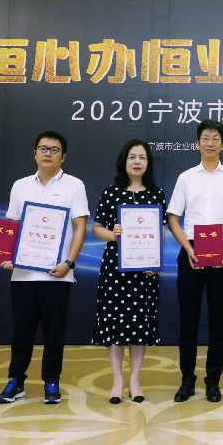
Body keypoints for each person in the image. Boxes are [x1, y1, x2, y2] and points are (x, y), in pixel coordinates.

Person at [0, 131, 89, 405]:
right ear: (35, 153)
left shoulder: (74, 185)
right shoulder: (20, 185)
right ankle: (16, 380)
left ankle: (51, 380)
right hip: (23, 274)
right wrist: (6, 254)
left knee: (54, 333)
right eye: (43, 148)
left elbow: (80, 226)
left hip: (57, 274)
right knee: (21, 332)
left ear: (64, 156)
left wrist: (69, 263)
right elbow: (11, 225)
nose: (48, 153)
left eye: (54, 149)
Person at [167, 119, 223, 403]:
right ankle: (187, 380)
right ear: (198, 143)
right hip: (190, 253)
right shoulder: (186, 177)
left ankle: (213, 381)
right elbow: (173, 218)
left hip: (222, 254)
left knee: (218, 321)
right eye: (205, 138)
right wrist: (187, 247)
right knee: (188, 321)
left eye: (215, 138)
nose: (210, 143)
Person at [91, 139, 166, 404]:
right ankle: (117, 381)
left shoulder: (156, 194)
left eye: (142, 157)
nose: (137, 162)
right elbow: (96, 228)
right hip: (115, 270)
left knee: (139, 325)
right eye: (132, 157)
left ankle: (135, 380)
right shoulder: (111, 193)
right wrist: (113, 234)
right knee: (115, 324)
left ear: (148, 163)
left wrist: (154, 261)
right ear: (124, 161)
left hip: (144, 272)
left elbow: (161, 231)